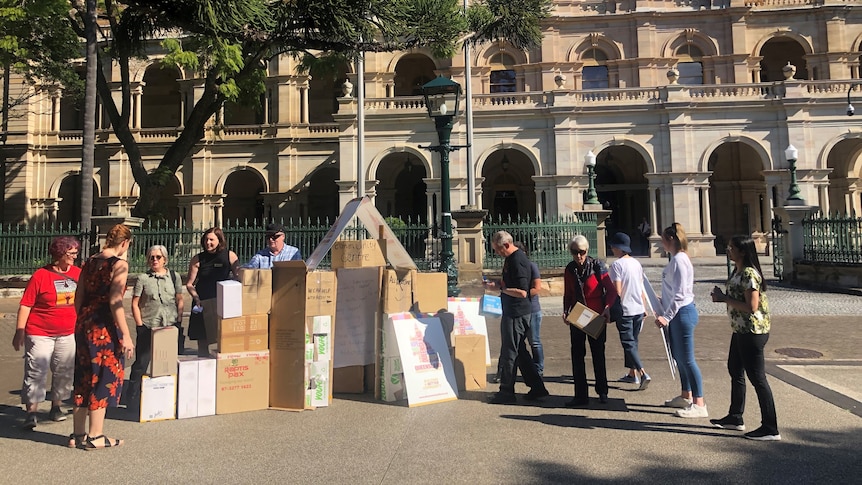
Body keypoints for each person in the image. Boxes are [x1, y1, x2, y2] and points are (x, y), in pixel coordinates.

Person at [710, 235, 781, 441]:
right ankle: (735, 416)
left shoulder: (749, 273)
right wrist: (722, 296)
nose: (728, 250)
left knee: (757, 378)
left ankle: (770, 427)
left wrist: (725, 298)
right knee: (735, 369)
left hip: (753, 331)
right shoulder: (737, 271)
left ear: (743, 252)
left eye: (732, 248)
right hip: (740, 329)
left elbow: (752, 306)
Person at [71, 223, 134, 449]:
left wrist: (82, 319)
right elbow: (115, 301)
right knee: (103, 377)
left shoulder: (89, 262)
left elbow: (78, 296)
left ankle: (77, 434)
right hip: (104, 326)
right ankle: (95, 436)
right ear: (125, 243)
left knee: (83, 375)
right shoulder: (119, 265)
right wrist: (126, 335)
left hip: (84, 322)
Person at [12, 236, 81, 430]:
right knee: (36, 371)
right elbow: (26, 305)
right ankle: (31, 412)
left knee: (64, 370)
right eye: (71, 253)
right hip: (39, 332)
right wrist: (20, 331)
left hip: (67, 332)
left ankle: (56, 407)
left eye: (76, 252)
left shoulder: (78, 273)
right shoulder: (41, 276)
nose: (75, 256)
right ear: (59, 254)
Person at [486, 231, 548, 404]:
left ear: (506, 245)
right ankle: (537, 388)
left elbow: (522, 291)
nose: (498, 253)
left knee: (510, 351)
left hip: (517, 312)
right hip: (514, 310)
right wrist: (497, 285)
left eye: (498, 249)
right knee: (520, 351)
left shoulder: (517, 260)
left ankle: (506, 391)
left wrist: (501, 289)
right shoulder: (511, 259)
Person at [655, 222, 707, 418]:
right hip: (678, 312)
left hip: (682, 313)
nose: (661, 244)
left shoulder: (679, 260)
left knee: (687, 359)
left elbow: (680, 294)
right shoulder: (678, 259)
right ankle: (687, 394)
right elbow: (674, 292)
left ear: (670, 240)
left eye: (663, 240)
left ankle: (699, 403)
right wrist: (660, 302)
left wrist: (666, 317)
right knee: (679, 357)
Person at [563, 235, 618, 407]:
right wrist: (565, 311)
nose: (578, 256)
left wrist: (607, 307)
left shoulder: (598, 266)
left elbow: (611, 290)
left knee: (598, 355)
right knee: (577, 356)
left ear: (587, 251)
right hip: (578, 314)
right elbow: (568, 293)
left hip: (596, 315)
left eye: (582, 252)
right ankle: (580, 395)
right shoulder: (570, 269)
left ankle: (602, 391)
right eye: (575, 252)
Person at [126, 245, 184, 407]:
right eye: (151, 257)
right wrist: (139, 325)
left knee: (168, 363)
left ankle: (167, 397)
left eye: (158, 257)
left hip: (169, 326)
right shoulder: (143, 278)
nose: (155, 260)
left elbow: (179, 298)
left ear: (165, 259)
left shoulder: (174, 276)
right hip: (149, 325)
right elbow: (135, 303)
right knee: (141, 364)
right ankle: (132, 398)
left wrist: (178, 319)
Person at [186, 227, 240, 357]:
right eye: (206, 239)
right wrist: (196, 297)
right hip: (202, 302)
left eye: (211, 239)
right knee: (202, 338)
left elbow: (239, 277)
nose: (208, 242)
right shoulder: (197, 259)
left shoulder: (230, 256)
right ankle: (203, 364)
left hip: (223, 303)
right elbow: (189, 284)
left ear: (219, 240)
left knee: (224, 337)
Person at [608, 232, 651, 390]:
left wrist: (609, 307)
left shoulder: (617, 265)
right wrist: (645, 306)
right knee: (634, 341)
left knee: (628, 343)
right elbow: (641, 287)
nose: (612, 249)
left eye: (613, 246)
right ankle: (632, 373)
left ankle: (642, 372)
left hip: (625, 309)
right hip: (638, 308)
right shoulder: (636, 263)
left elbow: (617, 291)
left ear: (618, 248)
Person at [514, 241, 544, 376]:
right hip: (518, 309)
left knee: (534, 341)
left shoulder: (532, 266)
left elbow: (537, 288)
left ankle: (539, 369)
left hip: (532, 309)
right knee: (517, 342)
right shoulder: (512, 266)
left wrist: (522, 295)